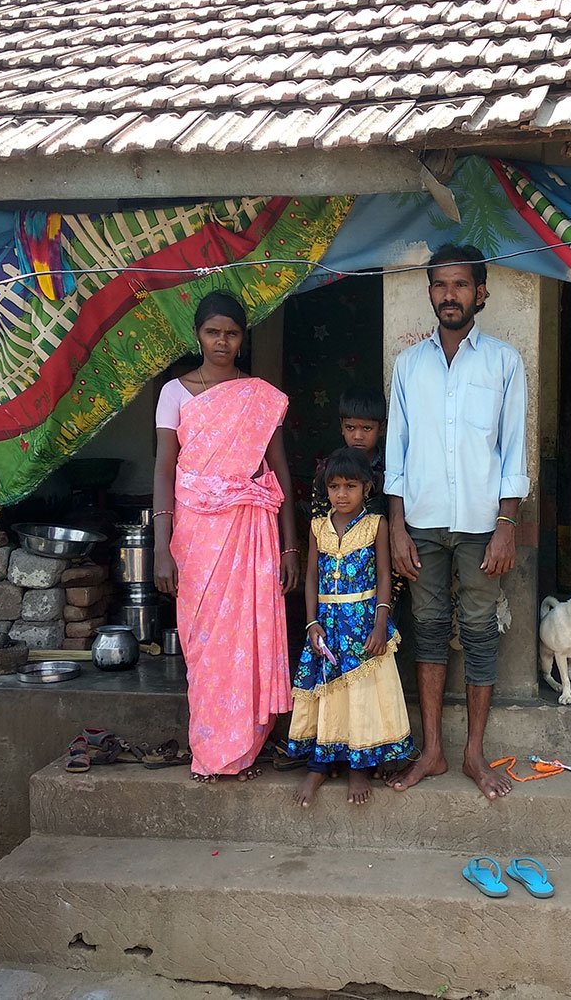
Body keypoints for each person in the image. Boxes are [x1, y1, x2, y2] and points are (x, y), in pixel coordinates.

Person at [384, 243, 529, 801]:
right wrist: (396, 528)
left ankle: (473, 750)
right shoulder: (408, 366)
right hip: (419, 524)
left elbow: (513, 451)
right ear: (429, 294)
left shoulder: (503, 362)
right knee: (427, 631)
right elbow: (396, 455)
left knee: (478, 632)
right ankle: (432, 751)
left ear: (480, 294)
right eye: (441, 285)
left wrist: (507, 524)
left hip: (480, 523)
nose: (450, 294)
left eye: (461, 285)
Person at [152, 292, 301, 783]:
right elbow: (163, 470)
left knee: (246, 639)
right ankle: (212, 749)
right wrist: (161, 546)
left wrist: (289, 545)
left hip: (249, 531)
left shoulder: (258, 396)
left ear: (243, 338)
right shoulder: (174, 393)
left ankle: (243, 749)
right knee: (204, 645)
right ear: (197, 335)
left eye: (232, 333)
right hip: (194, 536)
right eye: (214, 332)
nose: (222, 341)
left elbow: (278, 471)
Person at [286, 447, 415, 807]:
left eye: (351, 486)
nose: (342, 494)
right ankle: (320, 764)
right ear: (325, 489)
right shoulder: (317, 527)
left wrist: (380, 623)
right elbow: (311, 577)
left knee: (361, 697)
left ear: (367, 489)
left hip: (363, 624)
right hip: (327, 625)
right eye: (334, 487)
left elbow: (385, 577)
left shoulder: (377, 525)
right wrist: (312, 622)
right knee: (329, 693)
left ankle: (358, 768)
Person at [310, 386, 388, 519]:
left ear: (382, 428)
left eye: (367, 428)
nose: (358, 436)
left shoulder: (389, 467)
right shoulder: (328, 467)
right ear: (342, 426)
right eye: (350, 427)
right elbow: (319, 518)